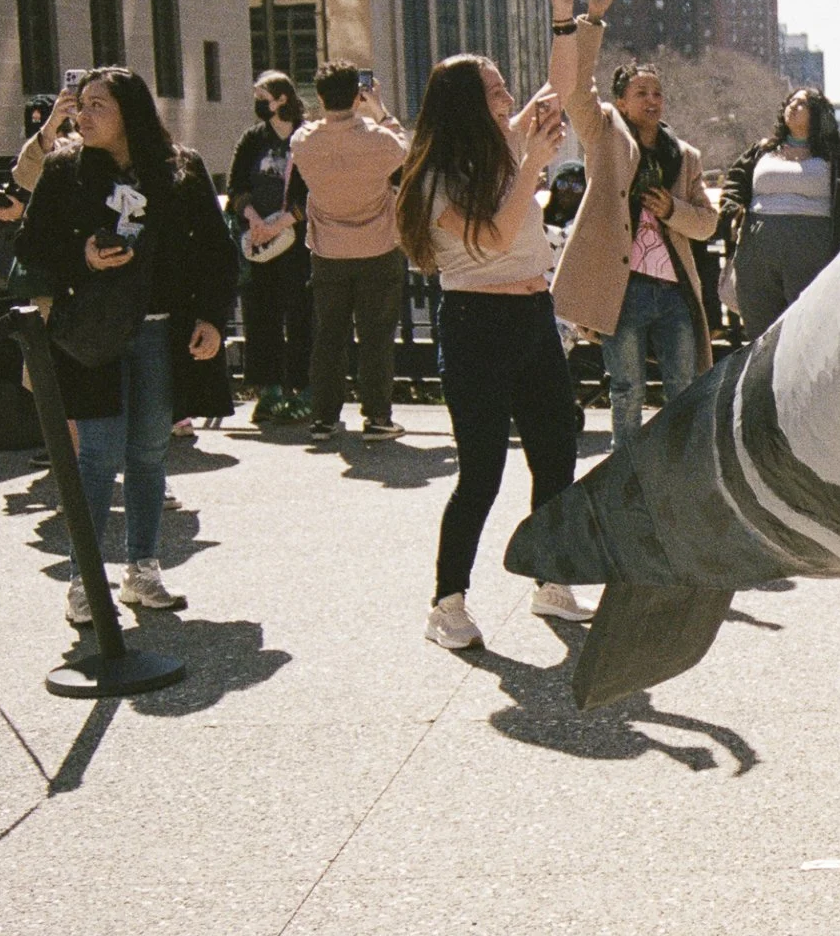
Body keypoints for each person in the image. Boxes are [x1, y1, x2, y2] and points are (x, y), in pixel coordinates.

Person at [15, 67, 237, 625]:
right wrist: (83, 255)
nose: (82, 116)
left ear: (130, 114)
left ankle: (142, 568)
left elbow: (214, 249)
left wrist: (212, 319)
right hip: (93, 332)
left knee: (148, 452)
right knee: (97, 455)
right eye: (81, 104)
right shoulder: (65, 169)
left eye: (97, 106)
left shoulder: (179, 170)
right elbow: (30, 248)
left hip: (162, 329)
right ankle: (84, 579)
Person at [397, 51, 595, 649]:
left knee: (556, 449)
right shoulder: (433, 178)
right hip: (475, 322)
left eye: (507, 87)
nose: (509, 97)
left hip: (533, 314)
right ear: (464, 104)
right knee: (481, 472)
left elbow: (561, 85)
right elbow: (497, 235)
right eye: (494, 90)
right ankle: (446, 602)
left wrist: (569, 17)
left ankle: (550, 580)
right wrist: (534, 161)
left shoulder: (505, 144)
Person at [542, 0, 720, 451]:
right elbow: (576, 91)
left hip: (673, 292)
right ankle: (628, 473)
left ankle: (681, 470)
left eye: (657, 93)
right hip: (621, 291)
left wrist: (672, 210)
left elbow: (707, 224)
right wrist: (593, 18)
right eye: (641, 92)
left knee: (684, 392)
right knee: (626, 392)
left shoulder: (684, 156)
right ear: (621, 101)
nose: (652, 100)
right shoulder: (604, 135)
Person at [290, 61, 410, 443]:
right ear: (357, 95)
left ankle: (324, 418)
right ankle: (377, 417)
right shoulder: (378, 139)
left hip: (327, 251)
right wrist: (379, 108)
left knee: (329, 336)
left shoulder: (303, 141)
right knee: (375, 337)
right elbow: (403, 150)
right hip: (377, 247)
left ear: (319, 96)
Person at [717, 88, 840, 340]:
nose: (793, 106)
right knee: (761, 337)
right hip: (758, 253)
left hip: (811, 254)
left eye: (802, 104)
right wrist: (731, 207)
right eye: (791, 101)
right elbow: (735, 181)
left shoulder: (835, 158)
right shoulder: (763, 150)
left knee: (808, 336)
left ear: (818, 115)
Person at [228, 72, 312, 426]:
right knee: (261, 313)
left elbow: (314, 190)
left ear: (280, 98)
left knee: (301, 314)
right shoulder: (253, 139)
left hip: (297, 241)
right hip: (258, 240)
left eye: (262, 95)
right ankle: (269, 390)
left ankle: (303, 389)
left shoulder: (306, 136)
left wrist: (283, 220)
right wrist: (253, 218)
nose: (258, 102)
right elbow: (236, 185)